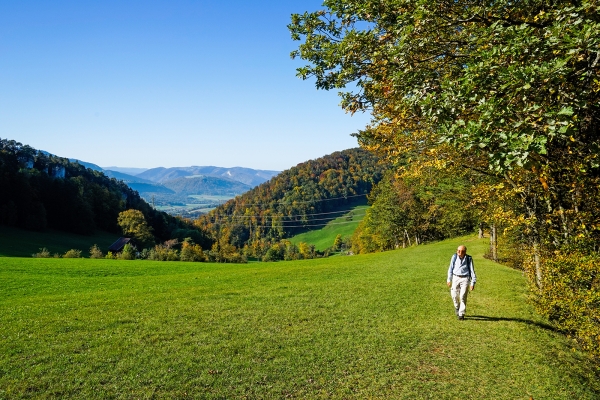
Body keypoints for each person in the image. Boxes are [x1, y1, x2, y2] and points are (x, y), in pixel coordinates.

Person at [446, 245, 476, 320]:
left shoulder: (469, 258)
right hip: (455, 277)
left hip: (465, 279)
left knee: (463, 296)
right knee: (454, 295)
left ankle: (461, 314)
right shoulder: (454, 257)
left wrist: (472, 283)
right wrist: (449, 279)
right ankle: (457, 307)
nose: (459, 252)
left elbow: (472, 271)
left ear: (465, 252)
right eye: (458, 250)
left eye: (461, 251)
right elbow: (450, 268)